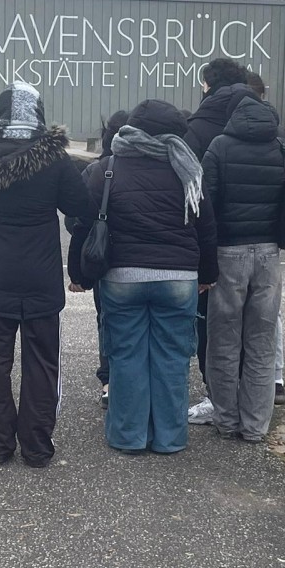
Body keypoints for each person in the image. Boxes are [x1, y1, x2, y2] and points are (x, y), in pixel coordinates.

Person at [0, 82, 92, 468]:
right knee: (43, 360)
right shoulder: (54, 158)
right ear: (38, 114)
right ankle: (37, 446)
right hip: (41, 273)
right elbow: (81, 204)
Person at [70, 99, 218, 454]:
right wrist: (207, 274)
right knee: (172, 358)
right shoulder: (188, 169)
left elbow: (83, 225)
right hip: (178, 278)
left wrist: (80, 275)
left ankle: (128, 436)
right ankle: (170, 438)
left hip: (122, 278)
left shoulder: (106, 169)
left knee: (126, 356)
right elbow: (207, 229)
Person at [201, 93, 285, 442]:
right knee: (261, 341)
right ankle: (255, 426)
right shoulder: (281, 145)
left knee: (223, 342)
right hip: (269, 253)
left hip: (229, 252)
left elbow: (206, 204)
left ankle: (226, 420)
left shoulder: (219, 147)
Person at [183, 58, 259, 425]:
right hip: (264, 242)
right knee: (256, 328)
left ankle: (217, 399)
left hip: (216, 240)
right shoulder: (268, 123)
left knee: (211, 326)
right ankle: (254, 403)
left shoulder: (197, 128)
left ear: (207, 85)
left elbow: (189, 190)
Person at [66, 110, 129, 408]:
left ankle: (109, 381)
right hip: (140, 258)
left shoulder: (96, 171)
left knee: (106, 319)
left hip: (103, 260)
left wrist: (78, 273)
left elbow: (75, 221)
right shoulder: (153, 167)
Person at [246, 71, 285, 406]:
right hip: (270, 237)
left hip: (233, 239)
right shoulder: (280, 135)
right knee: (268, 313)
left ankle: (233, 389)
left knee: (229, 318)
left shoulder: (224, 135)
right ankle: (274, 379)